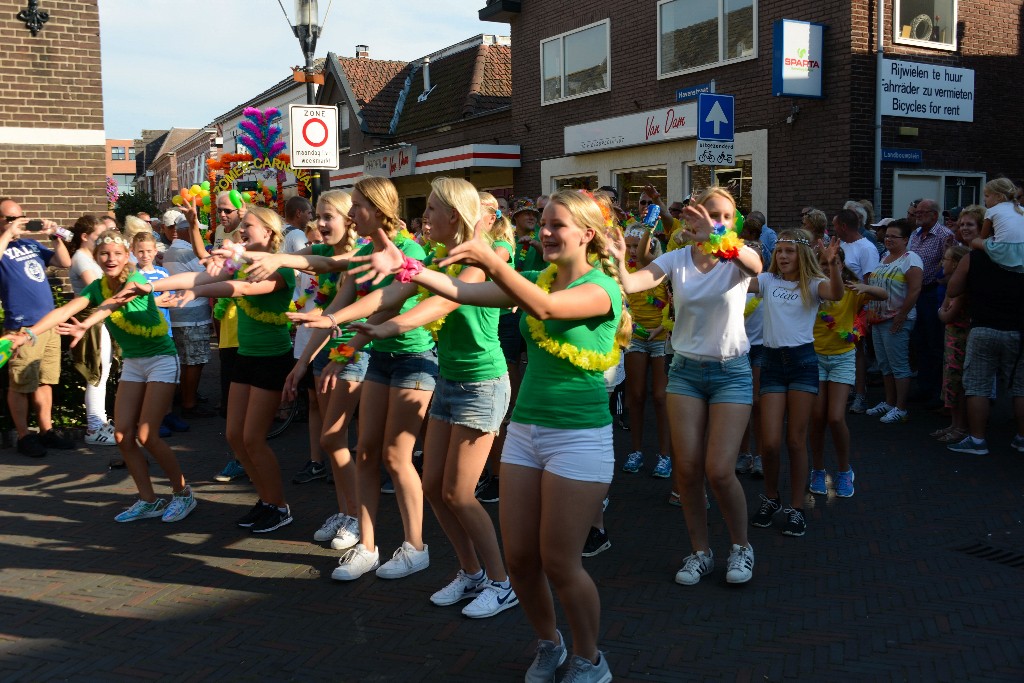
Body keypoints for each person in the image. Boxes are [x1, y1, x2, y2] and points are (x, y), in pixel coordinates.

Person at [346, 177, 518, 619]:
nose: (425, 218)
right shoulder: (440, 259)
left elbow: (442, 304)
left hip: (482, 385)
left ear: (455, 217)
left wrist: (387, 328)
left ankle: (502, 584)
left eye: (434, 210)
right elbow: (393, 293)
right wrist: (333, 319)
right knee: (434, 489)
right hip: (448, 381)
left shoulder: (485, 258)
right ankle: (471, 573)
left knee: (460, 493)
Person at [257, 176, 436, 579]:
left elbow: (383, 307)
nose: (352, 215)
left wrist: (342, 341)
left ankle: (415, 546)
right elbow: (338, 300)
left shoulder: (410, 251)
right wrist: (314, 351)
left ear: (378, 208)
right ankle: (368, 547)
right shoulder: (361, 256)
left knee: (396, 456)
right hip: (379, 360)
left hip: (413, 359)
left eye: (357, 206)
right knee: (367, 453)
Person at [612, 187, 761, 588]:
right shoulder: (676, 259)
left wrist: (717, 237)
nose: (718, 221)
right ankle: (700, 552)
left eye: (726, 217)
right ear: (693, 218)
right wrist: (615, 258)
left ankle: (741, 546)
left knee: (719, 469)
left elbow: (757, 264)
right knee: (688, 470)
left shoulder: (736, 259)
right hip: (686, 373)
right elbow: (633, 282)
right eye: (711, 214)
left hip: (731, 372)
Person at [3, 230, 195, 523]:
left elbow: (114, 303)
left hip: (161, 360)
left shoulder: (136, 281)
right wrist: (28, 333)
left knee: (147, 435)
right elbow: (66, 309)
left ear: (126, 255)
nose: (111, 259)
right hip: (133, 363)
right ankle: (149, 500)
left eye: (117, 254)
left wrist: (86, 324)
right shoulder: (95, 287)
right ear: (96, 256)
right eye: (104, 253)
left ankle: (183, 493)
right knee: (122, 435)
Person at [136, 206, 297, 534]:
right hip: (245, 356)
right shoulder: (240, 261)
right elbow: (201, 275)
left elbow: (243, 289)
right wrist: (154, 286)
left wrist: (195, 291)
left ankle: (279, 506)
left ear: (268, 233)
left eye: (249, 226)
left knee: (253, 438)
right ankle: (266, 500)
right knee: (235, 435)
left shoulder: (281, 269)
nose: (242, 231)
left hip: (271, 357)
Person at [281, 191, 365, 552]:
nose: (320, 223)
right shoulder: (326, 254)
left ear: (351, 218)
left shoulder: (358, 258)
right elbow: (324, 317)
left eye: (329, 216)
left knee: (333, 437)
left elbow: (364, 322)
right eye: (317, 216)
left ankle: (359, 516)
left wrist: (341, 356)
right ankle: (345, 511)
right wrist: (301, 364)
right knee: (334, 441)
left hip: (356, 352)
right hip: (326, 353)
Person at [749, 229, 843, 537]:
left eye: (789, 251)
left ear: (800, 255)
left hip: (803, 363)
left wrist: (833, 265)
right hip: (772, 363)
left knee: (795, 440)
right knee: (771, 441)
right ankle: (771, 497)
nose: (784, 256)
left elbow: (837, 294)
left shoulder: (814, 284)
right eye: (779, 251)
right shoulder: (766, 281)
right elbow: (736, 283)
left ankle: (796, 507)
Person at [0, 197, 75, 457]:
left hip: (48, 324)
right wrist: (8, 233)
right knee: (20, 383)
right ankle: (23, 436)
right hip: (21, 327)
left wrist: (55, 236)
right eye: (10, 218)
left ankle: (46, 430)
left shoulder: (30, 244)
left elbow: (64, 263)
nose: (18, 222)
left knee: (45, 381)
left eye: (20, 216)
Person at [808, 248, 886, 498]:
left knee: (835, 417)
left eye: (833, 263)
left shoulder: (851, 291)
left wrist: (867, 288)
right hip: (815, 357)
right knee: (817, 417)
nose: (827, 267)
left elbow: (883, 295)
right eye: (822, 263)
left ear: (841, 265)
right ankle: (818, 470)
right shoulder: (811, 290)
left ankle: (844, 470)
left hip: (842, 357)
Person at [943, 228, 1024, 456]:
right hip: (1018, 329)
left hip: (983, 327)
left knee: (977, 385)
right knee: (1020, 387)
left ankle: (978, 440)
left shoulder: (974, 257)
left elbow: (953, 288)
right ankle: (1021, 438)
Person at [619, 224, 671, 479]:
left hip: (661, 337)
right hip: (636, 338)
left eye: (635, 245)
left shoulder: (661, 267)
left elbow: (673, 304)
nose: (630, 250)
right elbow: (620, 303)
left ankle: (665, 455)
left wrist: (661, 327)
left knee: (661, 398)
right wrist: (631, 324)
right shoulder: (622, 271)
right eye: (627, 245)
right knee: (636, 396)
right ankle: (636, 451)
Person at [476, 191, 517, 505]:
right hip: (475, 332)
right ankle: (484, 471)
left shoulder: (500, 246)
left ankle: (500, 475)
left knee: (501, 413)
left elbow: (485, 266)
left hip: (501, 325)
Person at [865, 219, 924, 424]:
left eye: (893, 236)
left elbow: (915, 289)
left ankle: (901, 407)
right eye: (887, 235)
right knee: (884, 364)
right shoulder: (884, 257)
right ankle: (889, 402)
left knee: (898, 364)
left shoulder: (911, 259)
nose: (888, 239)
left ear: (906, 239)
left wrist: (901, 315)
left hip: (897, 319)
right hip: (878, 319)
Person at [161, 210, 215, 420]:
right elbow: (210, 273)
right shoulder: (188, 252)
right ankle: (189, 403)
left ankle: (186, 397)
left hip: (177, 312)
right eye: (194, 232)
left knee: (185, 360)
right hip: (192, 314)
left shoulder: (170, 251)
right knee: (194, 361)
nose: (197, 237)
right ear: (185, 233)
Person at [67, 215, 115, 446]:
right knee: (96, 373)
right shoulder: (82, 259)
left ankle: (100, 423)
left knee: (102, 372)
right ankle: (95, 427)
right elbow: (100, 289)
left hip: (97, 320)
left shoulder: (87, 257)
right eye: (97, 237)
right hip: (91, 320)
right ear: (85, 237)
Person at [907, 199, 955, 405]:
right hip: (916, 293)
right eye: (916, 212)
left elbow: (947, 265)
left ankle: (937, 391)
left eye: (922, 212)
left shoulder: (945, 235)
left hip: (932, 293)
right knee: (920, 341)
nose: (917, 215)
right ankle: (924, 387)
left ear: (934, 215)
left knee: (934, 341)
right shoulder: (914, 235)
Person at [931, 245, 971, 444]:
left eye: (946, 259)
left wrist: (941, 311)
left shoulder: (961, 289)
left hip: (960, 340)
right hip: (952, 339)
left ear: (956, 263)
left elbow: (947, 314)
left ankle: (961, 427)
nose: (942, 263)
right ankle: (954, 424)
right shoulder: (951, 286)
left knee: (957, 382)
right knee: (950, 381)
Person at [968, 177, 1024, 273]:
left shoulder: (991, 211)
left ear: (999, 197)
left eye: (987, 196)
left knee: (975, 241)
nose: (984, 199)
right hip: (1021, 250)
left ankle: (972, 261)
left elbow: (983, 236)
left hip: (1003, 250)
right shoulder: (1021, 209)